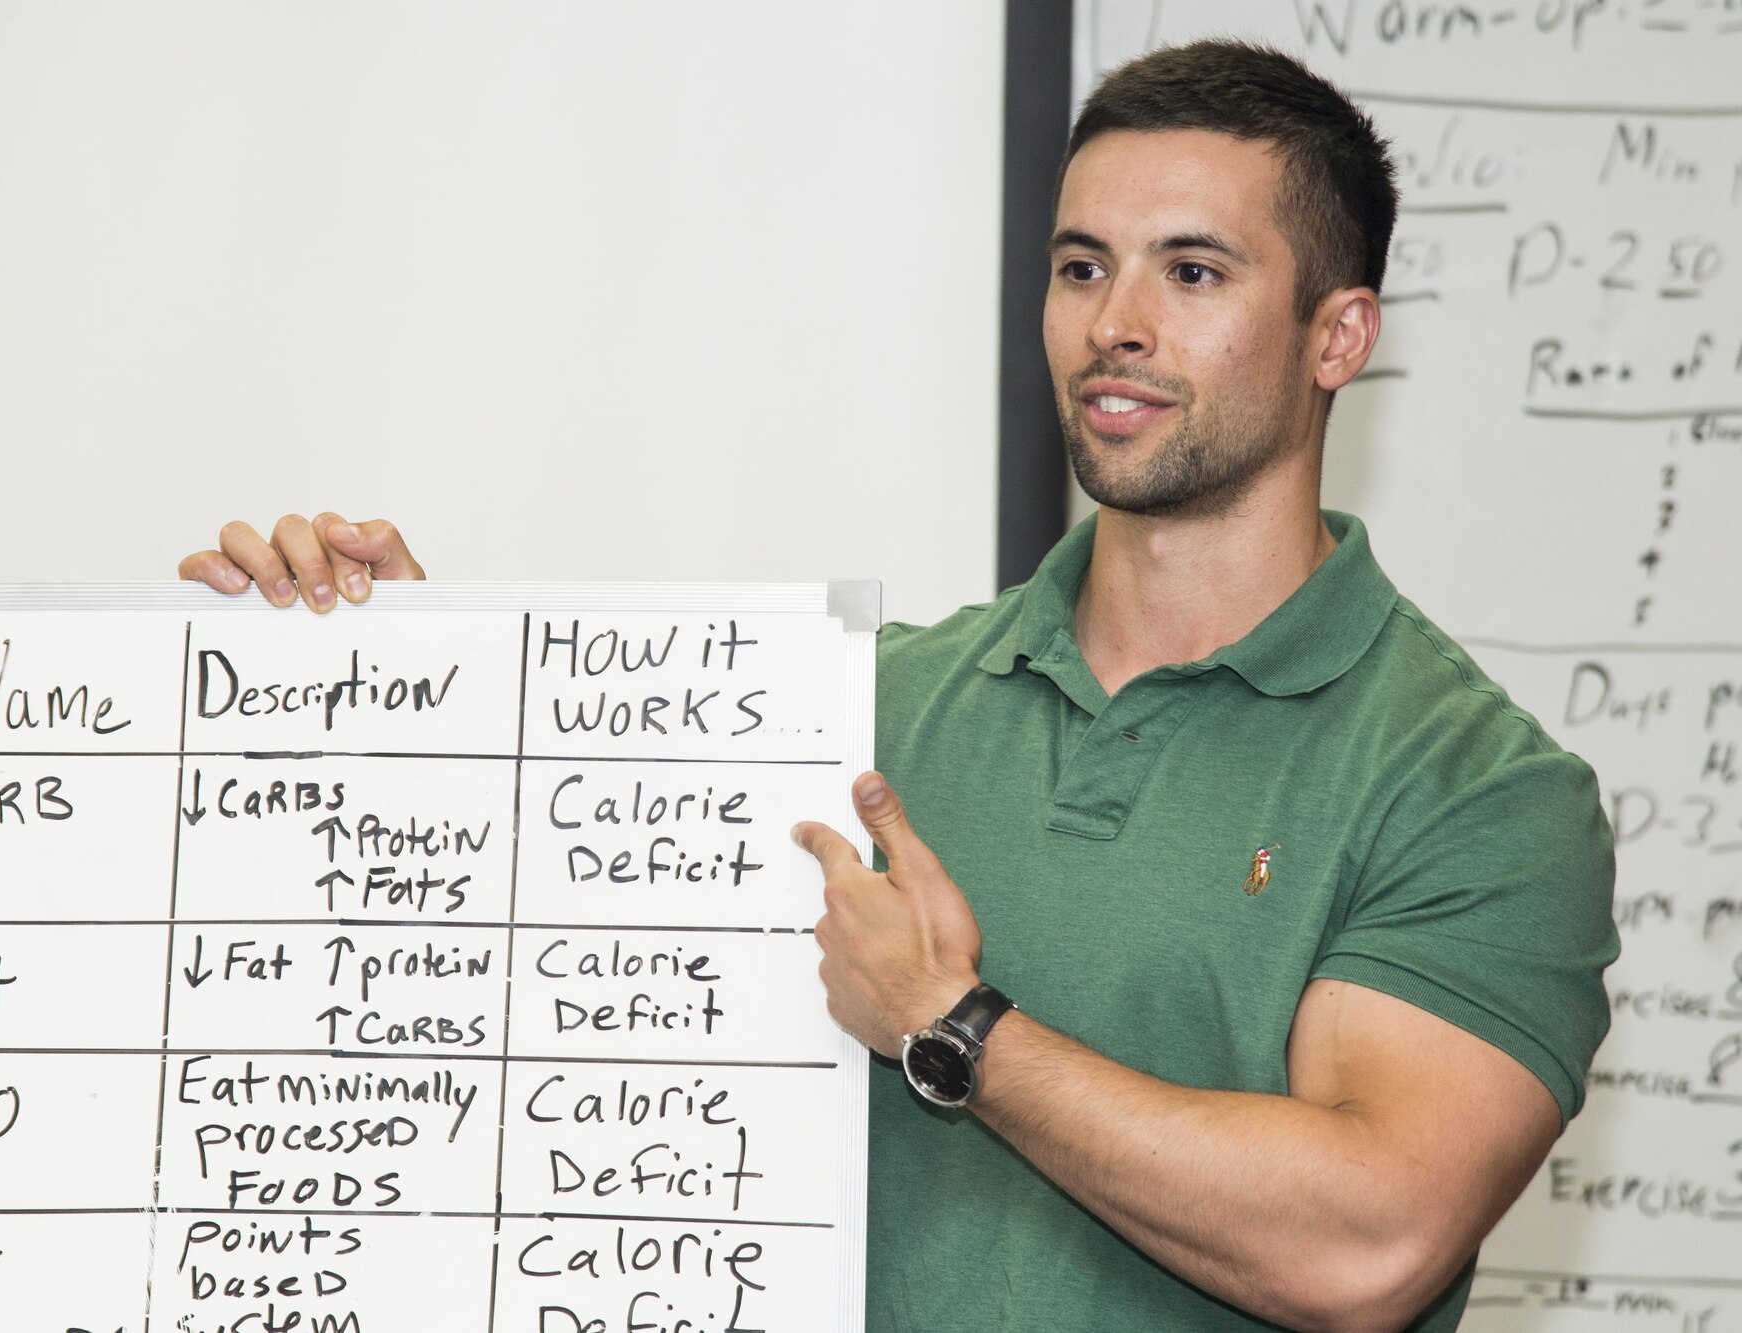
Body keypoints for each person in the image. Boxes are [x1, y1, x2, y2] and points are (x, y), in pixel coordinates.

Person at [179, 40, 1617, 1332]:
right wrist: (405, 685)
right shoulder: (852, 702)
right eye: (1078, 265)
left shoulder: (1480, 791)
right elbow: (560, 966)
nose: (1115, 321)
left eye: (1191, 272)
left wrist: (956, 1022)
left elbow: (1366, 1243)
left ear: (1337, 336)